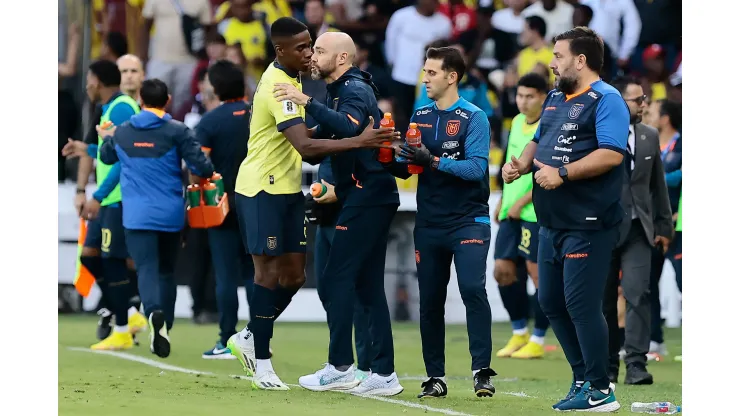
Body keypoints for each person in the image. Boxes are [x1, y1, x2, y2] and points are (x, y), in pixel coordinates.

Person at [225, 17, 399, 391]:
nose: (308, 54)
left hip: (290, 190)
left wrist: (349, 141)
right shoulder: (278, 86)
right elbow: (306, 147)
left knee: (296, 275)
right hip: (261, 189)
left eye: (313, 47)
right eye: (304, 47)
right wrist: (357, 143)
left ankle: (253, 335)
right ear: (281, 51)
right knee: (268, 274)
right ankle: (262, 362)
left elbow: (320, 135)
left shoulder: (303, 83)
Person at [502, 27, 628, 412]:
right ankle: (582, 379)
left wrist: (564, 173)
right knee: (551, 301)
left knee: (581, 305)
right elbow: (541, 139)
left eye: (558, 56)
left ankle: (601, 389)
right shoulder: (556, 97)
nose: (552, 64)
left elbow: (611, 154)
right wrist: (522, 164)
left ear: (580, 60)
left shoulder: (607, 99)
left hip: (588, 222)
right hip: (551, 221)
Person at [273, 31, 403, 396]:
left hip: (368, 195)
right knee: (366, 285)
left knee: (336, 279)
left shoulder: (354, 90)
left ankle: (340, 367)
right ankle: (384, 374)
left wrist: (304, 101)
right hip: (368, 194)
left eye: (319, 50)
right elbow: (330, 130)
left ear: (342, 58)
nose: (312, 56)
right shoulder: (341, 88)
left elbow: (348, 127)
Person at [383, 46, 497, 398]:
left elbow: (477, 168)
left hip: (468, 220)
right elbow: (409, 166)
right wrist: (387, 155)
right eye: (424, 71)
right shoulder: (420, 115)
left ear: (452, 76)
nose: (424, 78)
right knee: (430, 300)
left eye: (431, 73)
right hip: (430, 222)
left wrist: (431, 160)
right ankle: (436, 376)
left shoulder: (474, 117)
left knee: (472, 289)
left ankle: (481, 371)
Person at [97, 79, 215, 358]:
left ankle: (153, 313)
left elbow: (105, 156)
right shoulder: (178, 131)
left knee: (146, 269)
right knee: (166, 272)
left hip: (136, 215)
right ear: (168, 99)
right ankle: (165, 326)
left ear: (139, 98)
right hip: (171, 214)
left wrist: (106, 137)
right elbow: (203, 167)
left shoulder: (123, 132)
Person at [62, 60, 147, 350]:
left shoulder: (122, 108)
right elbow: (112, 150)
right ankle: (131, 313)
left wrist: (99, 195)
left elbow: (125, 156)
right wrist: (86, 148)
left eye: (89, 77)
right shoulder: (112, 107)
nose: (86, 84)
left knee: (113, 262)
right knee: (90, 256)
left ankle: (123, 326)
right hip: (110, 197)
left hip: (119, 196)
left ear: (97, 80)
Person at [602, 76, 673, 385]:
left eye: (644, 99)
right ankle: (605, 367)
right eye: (637, 100)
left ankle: (636, 365)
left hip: (639, 229)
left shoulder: (649, 136)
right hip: (602, 228)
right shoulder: (597, 134)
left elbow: (658, 186)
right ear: (619, 103)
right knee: (602, 301)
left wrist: (664, 226)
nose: (644, 104)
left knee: (638, 294)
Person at [194, 60, 256, 359]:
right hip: (256, 201)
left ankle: (226, 339)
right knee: (256, 272)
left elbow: (197, 168)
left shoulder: (210, 121)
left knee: (225, 275)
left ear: (216, 88)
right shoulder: (258, 115)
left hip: (221, 205)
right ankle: (258, 337)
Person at [493, 72, 551, 360]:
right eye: (519, 95)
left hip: (534, 213)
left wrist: (523, 201)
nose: (523, 101)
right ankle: (519, 333)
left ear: (543, 97)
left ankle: (539, 338)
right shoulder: (516, 122)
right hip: (510, 211)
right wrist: (504, 200)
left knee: (537, 275)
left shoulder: (549, 125)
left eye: (529, 96)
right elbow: (510, 163)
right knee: (503, 271)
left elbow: (543, 170)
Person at [304, 158, 373, 384]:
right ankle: (339, 362)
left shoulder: (353, 125)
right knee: (326, 290)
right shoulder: (325, 127)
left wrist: (340, 191)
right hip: (327, 217)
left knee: (355, 292)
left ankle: (365, 365)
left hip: (349, 213)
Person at [648, 99, 682, 360]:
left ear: (666, 118)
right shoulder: (649, 142)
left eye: (652, 112)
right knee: (648, 283)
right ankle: (654, 342)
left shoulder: (683, 144)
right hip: (653, 223)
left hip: (678, 224)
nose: (647, 114)